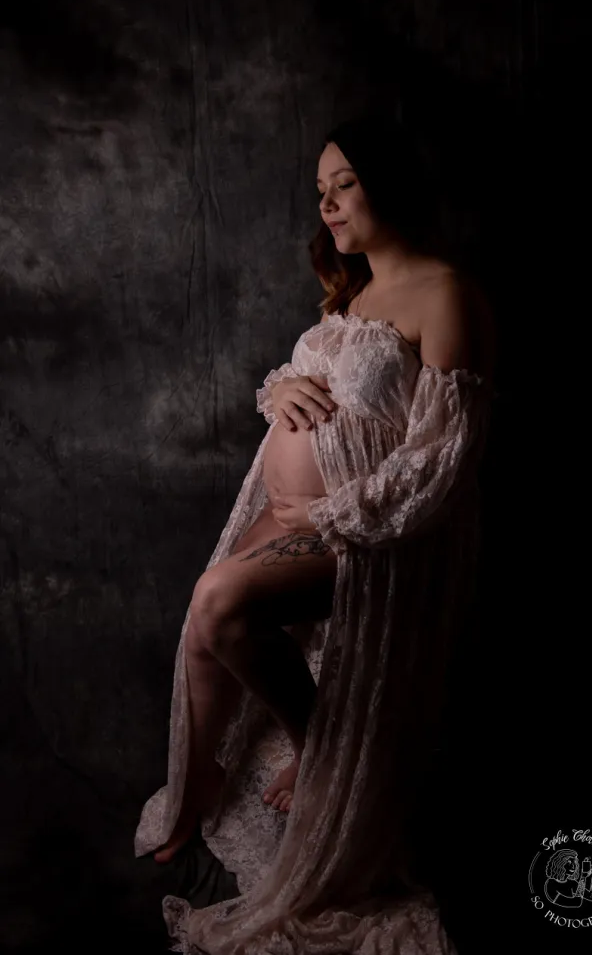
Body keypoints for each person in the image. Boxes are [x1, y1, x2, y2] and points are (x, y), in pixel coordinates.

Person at [135, 113, 497, 954]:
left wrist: (331, 516)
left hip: (374, 532)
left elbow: (442, 457)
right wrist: (282, 391)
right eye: (320, 190)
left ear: (389, 186)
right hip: (297, 513)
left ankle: (325, 756)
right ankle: (199, 786)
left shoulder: (445, 292)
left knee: (221, 602)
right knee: (200, 631)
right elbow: (327, 387)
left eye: (345, 185)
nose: (327, 205)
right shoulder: (353, 292)